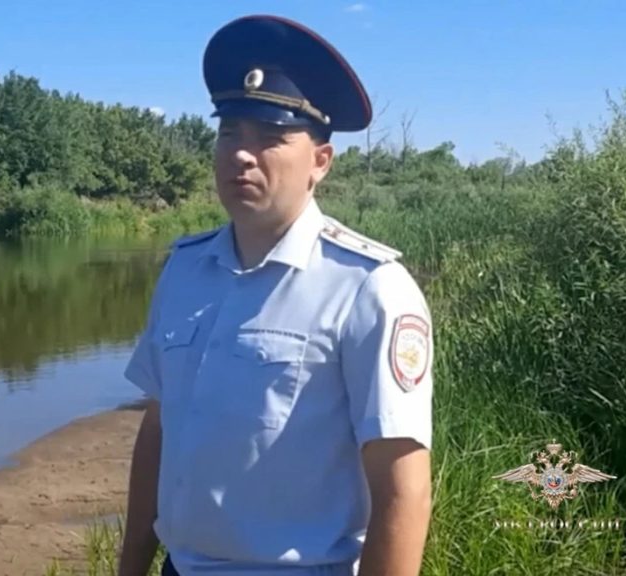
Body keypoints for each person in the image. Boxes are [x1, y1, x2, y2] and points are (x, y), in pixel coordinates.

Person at [117, 14, 434, 576]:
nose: (242, 154)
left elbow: (403, 491)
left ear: (320, 162)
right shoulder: (185, 270)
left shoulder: (368, 288)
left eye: (270, 137)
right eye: (230, 133)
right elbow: (160, 430)